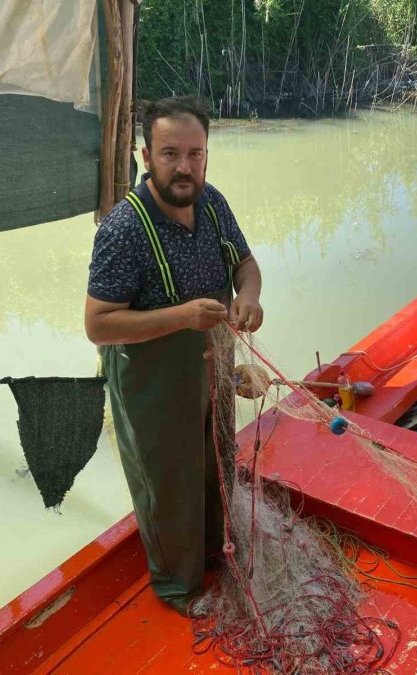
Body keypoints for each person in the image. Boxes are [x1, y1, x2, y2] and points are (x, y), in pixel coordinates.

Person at [84, 96, 263, 615]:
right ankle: (178, 588)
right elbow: (98, 325)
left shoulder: (213, 203)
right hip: (153, 383)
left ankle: (218, 550)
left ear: (206, 155)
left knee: (217, 462)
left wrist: (248, 298)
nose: (184, 167)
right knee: (170, 483)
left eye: (195, 153)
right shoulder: (122, 230)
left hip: (213, 368)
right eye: (169, 154)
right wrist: (182, 317)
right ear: (146, 157)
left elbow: (245, 264)